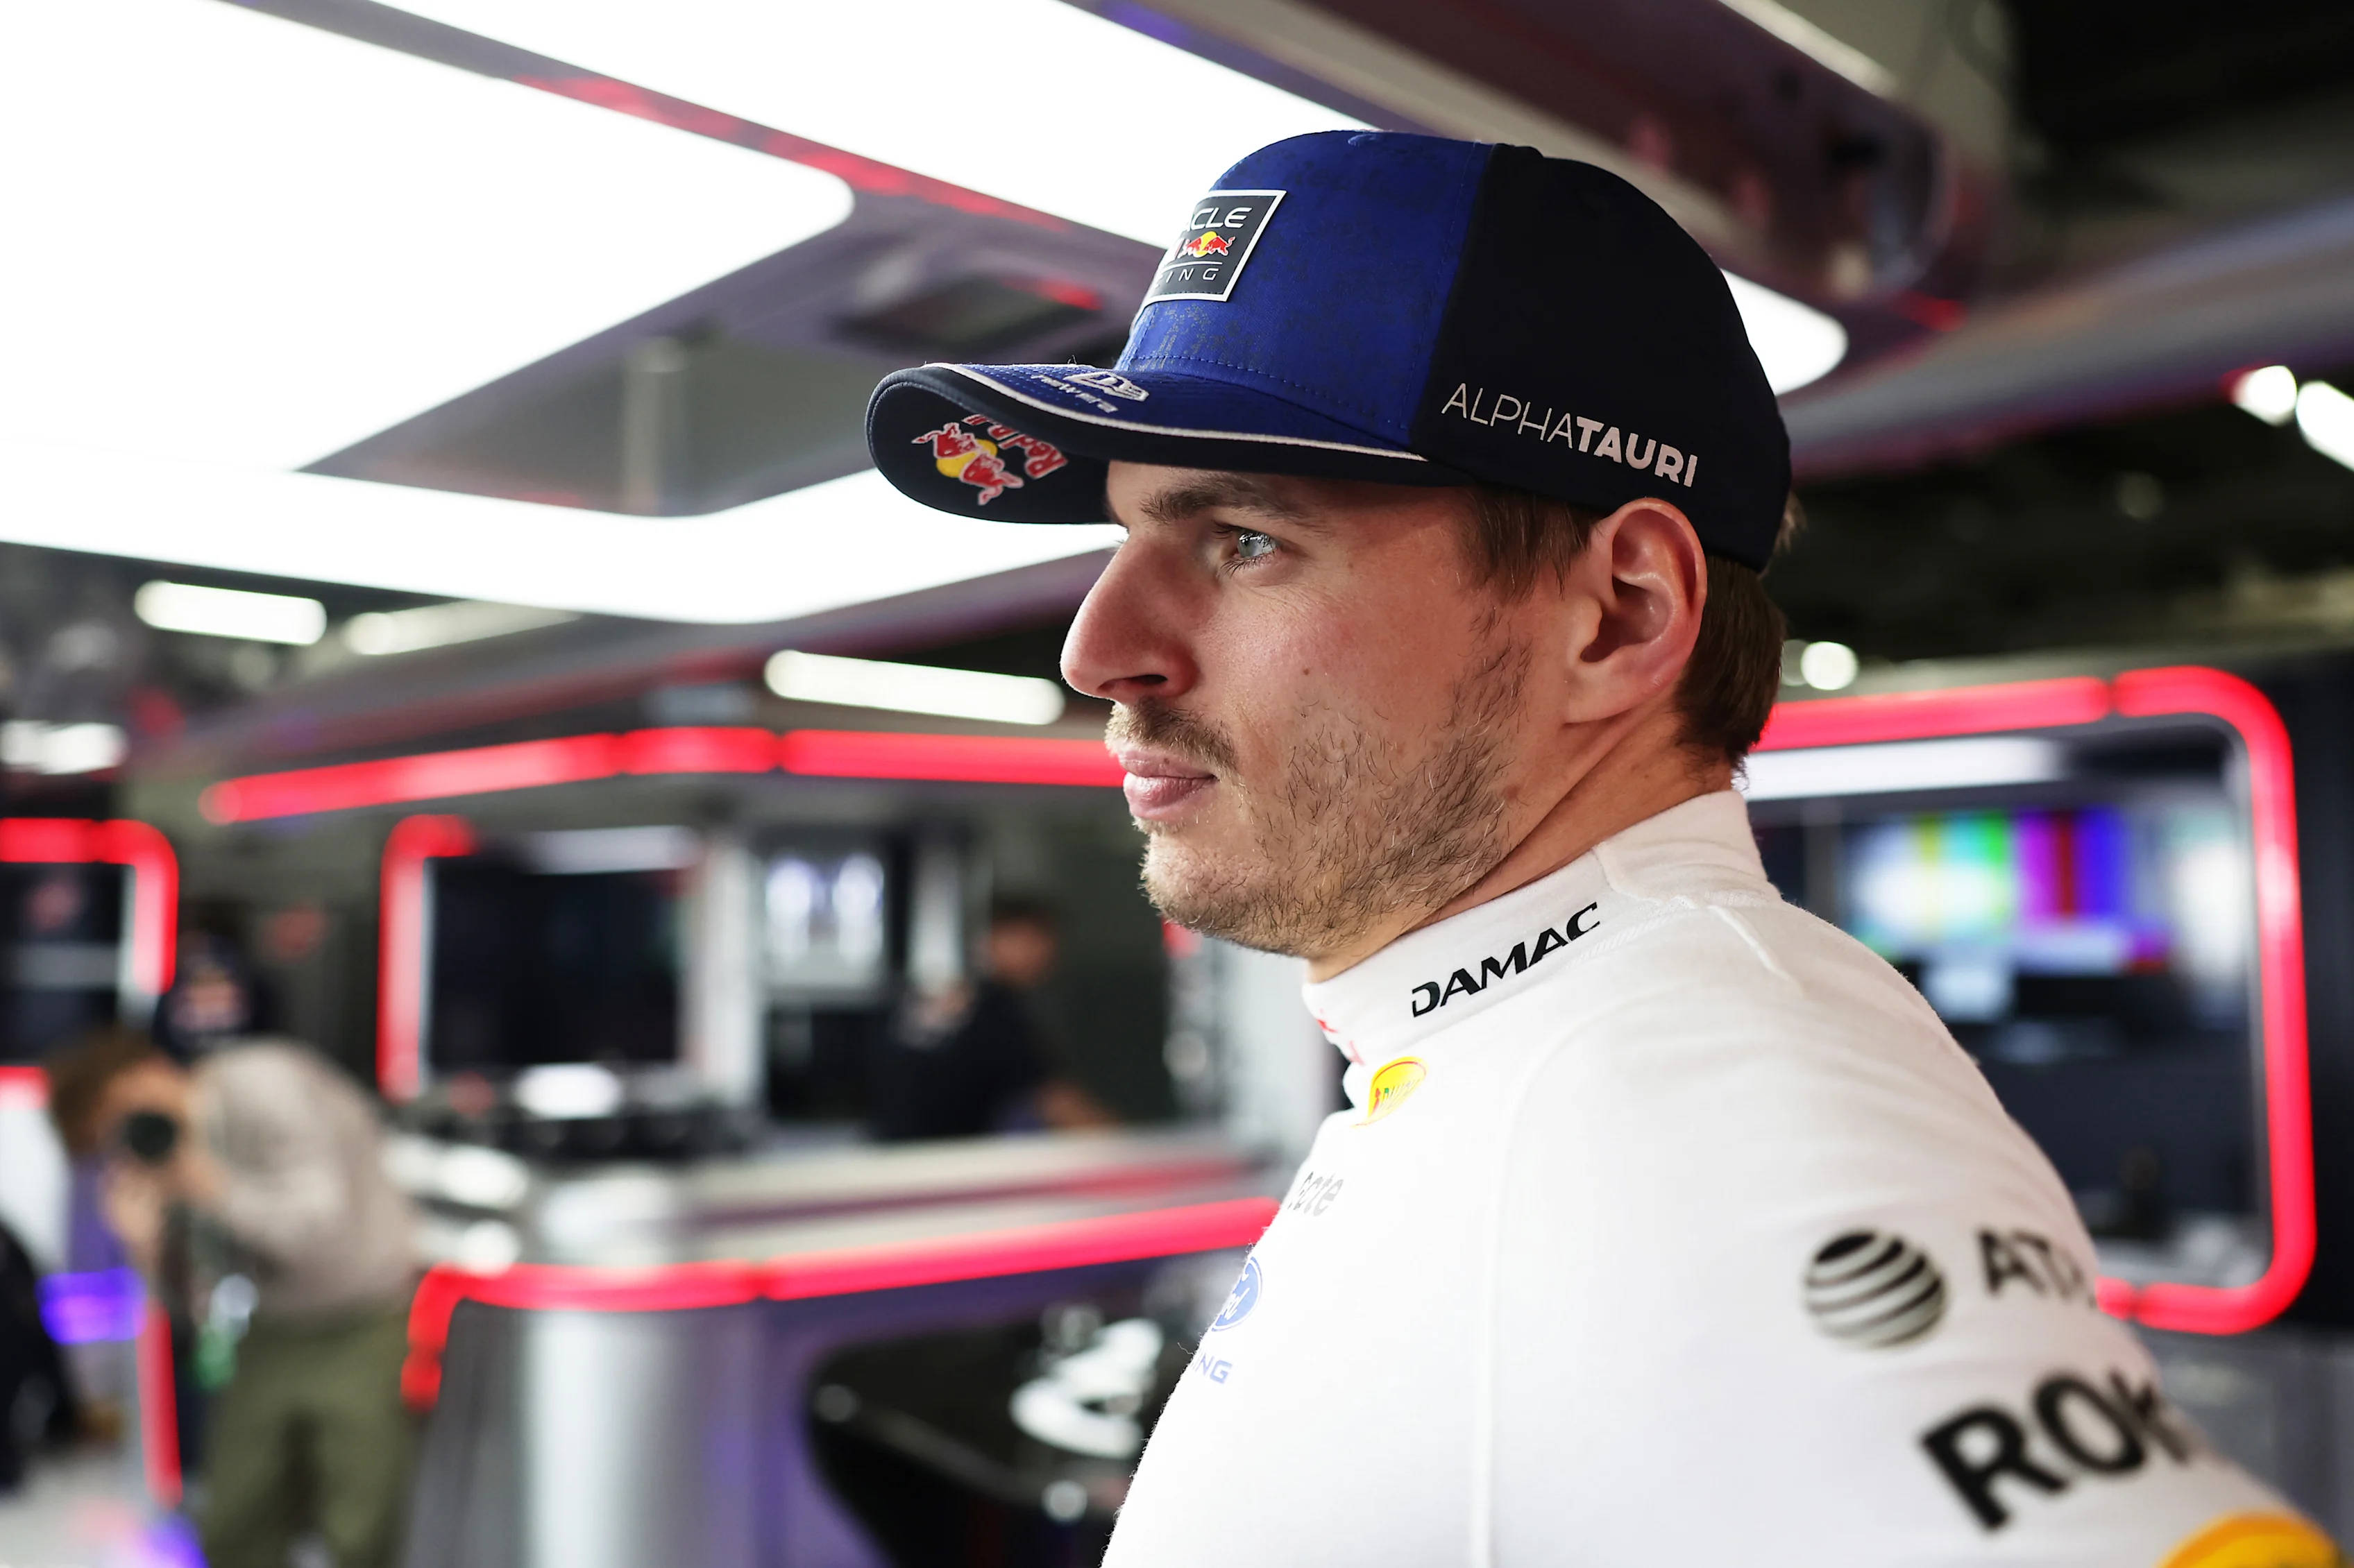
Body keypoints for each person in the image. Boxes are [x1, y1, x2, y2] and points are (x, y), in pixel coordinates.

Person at [864, 132, 2334, 1562]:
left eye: (1243, 536)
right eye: (1119, 542)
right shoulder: (1526, 1037)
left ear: (1619, 610)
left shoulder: (1694, 1080)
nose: (1095, 647)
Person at [46, 1028, 417, 1568]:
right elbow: (196, 1309)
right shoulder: (177, 1155)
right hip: (271, 1327)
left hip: (363, 1318)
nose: (129, 1141)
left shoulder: (261, 1084)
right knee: (236, 1521)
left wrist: (208, 1185)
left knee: (360, 1527)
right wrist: (148, 1248)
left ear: (146, 1073)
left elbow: (318, 1229)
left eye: (122, 1120)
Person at [870, 897, 1115, 1141]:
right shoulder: (994, 1010)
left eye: (1048, 940)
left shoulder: (960, 998)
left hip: (897, 1156)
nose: (1045, 953)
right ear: (990, 940)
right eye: (1028, 939)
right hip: (934, 1163)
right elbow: (1059, 1102)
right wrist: (1128, 1148)